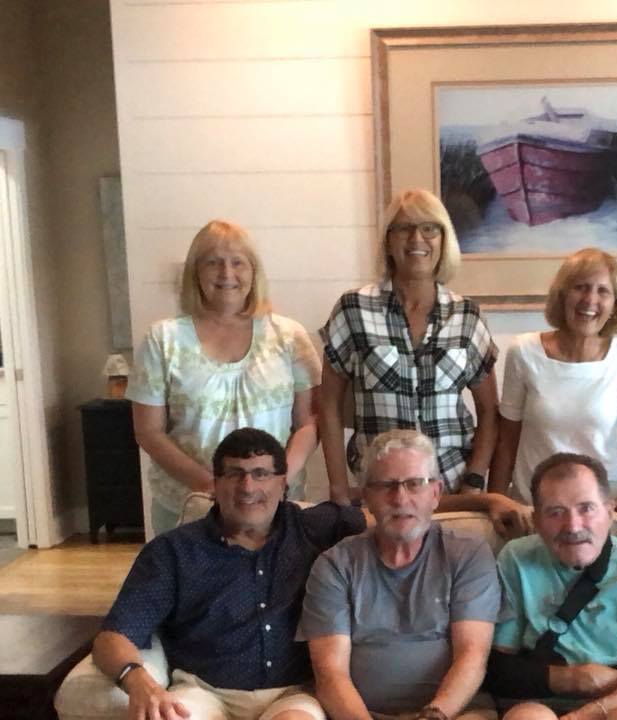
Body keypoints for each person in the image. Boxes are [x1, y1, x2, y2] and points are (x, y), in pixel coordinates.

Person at [92, 427, 366, 720]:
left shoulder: (313, 527)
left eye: (261, 474)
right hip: (202, 691)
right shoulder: (173, 551)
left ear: (282, 483)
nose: (247, 487)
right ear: (215, 484)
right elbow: (113, 637)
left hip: (293, 693)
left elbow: (387, 519)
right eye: (235, 474)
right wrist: (137, 680)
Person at [318, 188, 531, 536]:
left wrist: (474, 482)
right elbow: (327, 404)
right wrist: (339, 489)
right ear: (388, 241)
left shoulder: (467, 315)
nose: (417, 239)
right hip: (381, 490)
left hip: (451, 487)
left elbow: (489, 412)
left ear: (444, 240)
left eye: (429, 228)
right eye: (404, 228)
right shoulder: (353, 309)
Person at [127, 220, 323, 535]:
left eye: (238, 263)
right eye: (213, 262)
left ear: (254, 272)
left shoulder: (289, 336)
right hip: (189, 507)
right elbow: (149, 432)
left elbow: (309, 423)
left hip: (273, 508)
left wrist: (276, 481)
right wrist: (212, 486)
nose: (226, 273)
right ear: (195, 272)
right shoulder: (162, 340)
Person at [301, 429, 501, 720]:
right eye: (386, 485)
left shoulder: (468, 554)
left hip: (453, 713)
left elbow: (472, 656)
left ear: (436, 493)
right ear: (366, 497)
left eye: (415, 484)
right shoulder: (335, 565)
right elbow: (331, 675)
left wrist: (434, 716)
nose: (400, 498)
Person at [486, 453, 617, 720]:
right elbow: (497, 668)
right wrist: (576, 679)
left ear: (609, 512)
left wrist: (585, 715)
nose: (573, 526)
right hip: (539, 695)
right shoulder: (515, 558)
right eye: (556, 513)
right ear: (537, 521)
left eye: (586, 508)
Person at [488, 249, 617, 502]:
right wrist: (496, 503)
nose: (590, 300)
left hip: (603, 506)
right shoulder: (524, 351)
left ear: (615, 304)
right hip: (533, 505)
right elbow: (506, 442)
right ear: (562, 296)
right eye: (580, 287)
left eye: (603, 291)